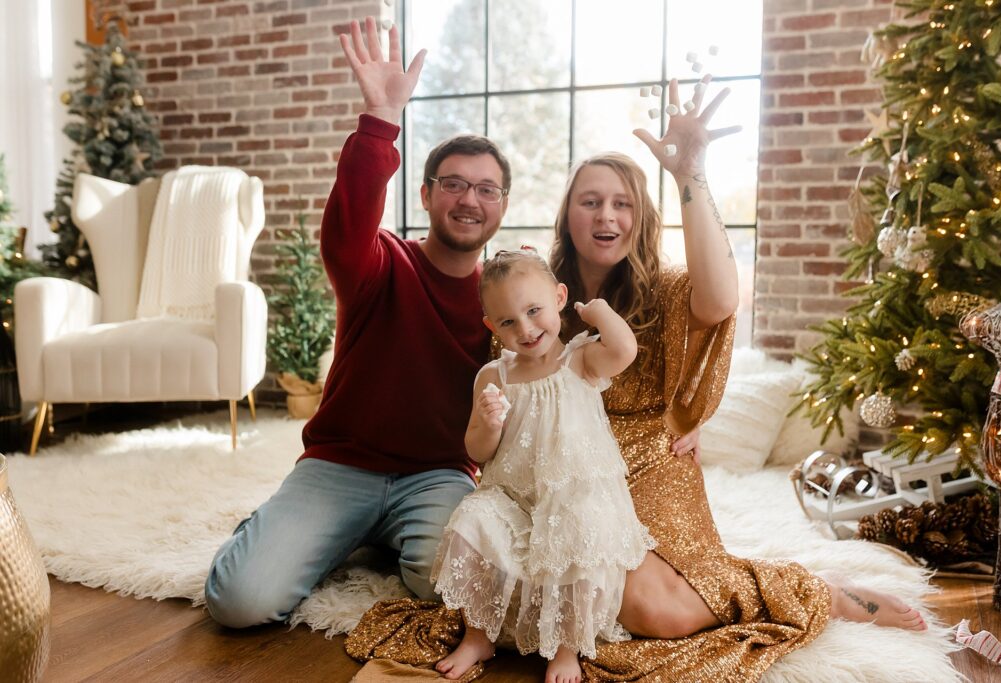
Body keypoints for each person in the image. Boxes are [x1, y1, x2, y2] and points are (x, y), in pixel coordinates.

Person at [346, 76, 928, 681]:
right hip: (545, 472)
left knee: (661, 613)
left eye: (622, 202)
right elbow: (501, 383)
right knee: (508, 572)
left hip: (646, 464)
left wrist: (689, 174)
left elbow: (722, 299)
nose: (606, 215)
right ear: (567, 214)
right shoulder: (534, 295)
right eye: (590, 200)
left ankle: (815, 590)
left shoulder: (666, 291)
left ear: (641, 216)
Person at [203, 17, 511, 627]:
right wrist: (381, 119)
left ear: (503, 205)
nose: (469, 199)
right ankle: (282, 529)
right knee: (240, 603)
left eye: (486, 189)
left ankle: (378, 536)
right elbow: (346, 226)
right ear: (424, 195)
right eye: (453, 184)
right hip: (340, 465)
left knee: (454, 596)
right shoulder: (380, 262)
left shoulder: (503, 298)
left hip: (438, 474)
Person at [432, 249, 654, 682]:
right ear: (491, 327)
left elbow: (625, 349)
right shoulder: (493, 377)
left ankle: (566, 648)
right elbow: (477, 450)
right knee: (472, 516)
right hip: (514, 496)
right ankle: (478, 634)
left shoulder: (581, 359)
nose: (527, 328)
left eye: (534, 310)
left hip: (573, 497)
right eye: (508, 322)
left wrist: (599, 312)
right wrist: (488, 422)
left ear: (558, 297)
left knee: (578, 530)